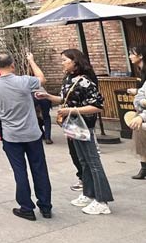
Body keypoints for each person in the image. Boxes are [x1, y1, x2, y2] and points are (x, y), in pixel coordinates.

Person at [35, 49, 114, 215]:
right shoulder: (68, 79)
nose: (62, 63)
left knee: (93, 161)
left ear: (75, 62)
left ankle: (102, 200)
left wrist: (73, 110)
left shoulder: (85, 81)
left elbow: (97, 106)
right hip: (73, 125)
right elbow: (64, 99)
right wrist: (48, 96)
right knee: (83, 160)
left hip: (84, 124)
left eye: (65, 60)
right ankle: (88, 193)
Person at [0, 53, 52, 221]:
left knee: (19, 171)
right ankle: (45, 206)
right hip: (32, 133)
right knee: (39, 169)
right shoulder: (25, 81)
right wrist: (31, 60)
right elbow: (42, 79)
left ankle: (26, 207)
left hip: (11, 135)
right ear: (13, 65)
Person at [126, 45, 146, 179]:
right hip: (142, 113)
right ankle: (144, 168)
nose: (130, 56)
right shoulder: (141, 70)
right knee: (140, 138)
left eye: (132, 53)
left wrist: (140, 98)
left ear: (141, 55)